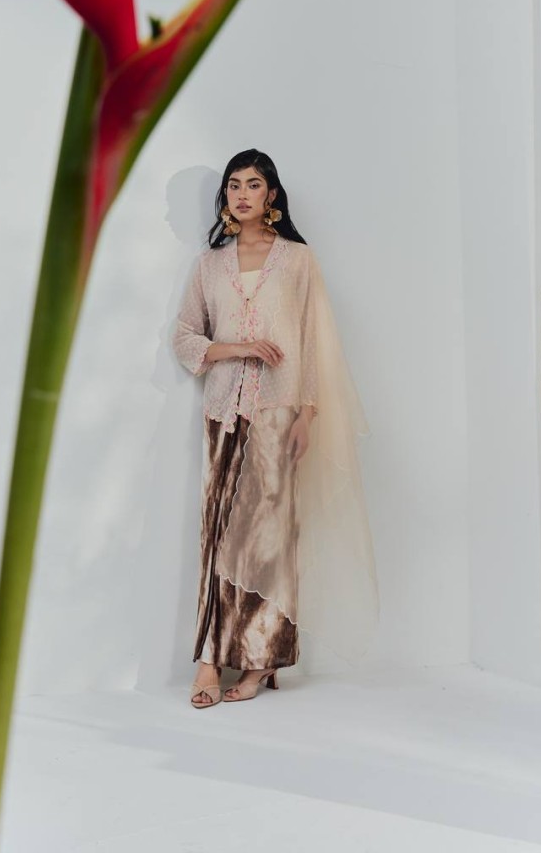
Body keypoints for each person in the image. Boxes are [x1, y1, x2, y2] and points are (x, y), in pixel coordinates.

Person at [172, 149, 379, 708]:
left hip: (279, 412)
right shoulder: (209, 265)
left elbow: (313, 342)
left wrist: (308, 414)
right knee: (218, 535)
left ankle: (260, 658)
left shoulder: (297, 260)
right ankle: (210, 660)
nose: (242, 194)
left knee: (267, 542)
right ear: (225, 197)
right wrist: (236, 347)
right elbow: (186, 337)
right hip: (224, 412)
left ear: (272, 196)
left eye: (253, 184)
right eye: (234, 185)